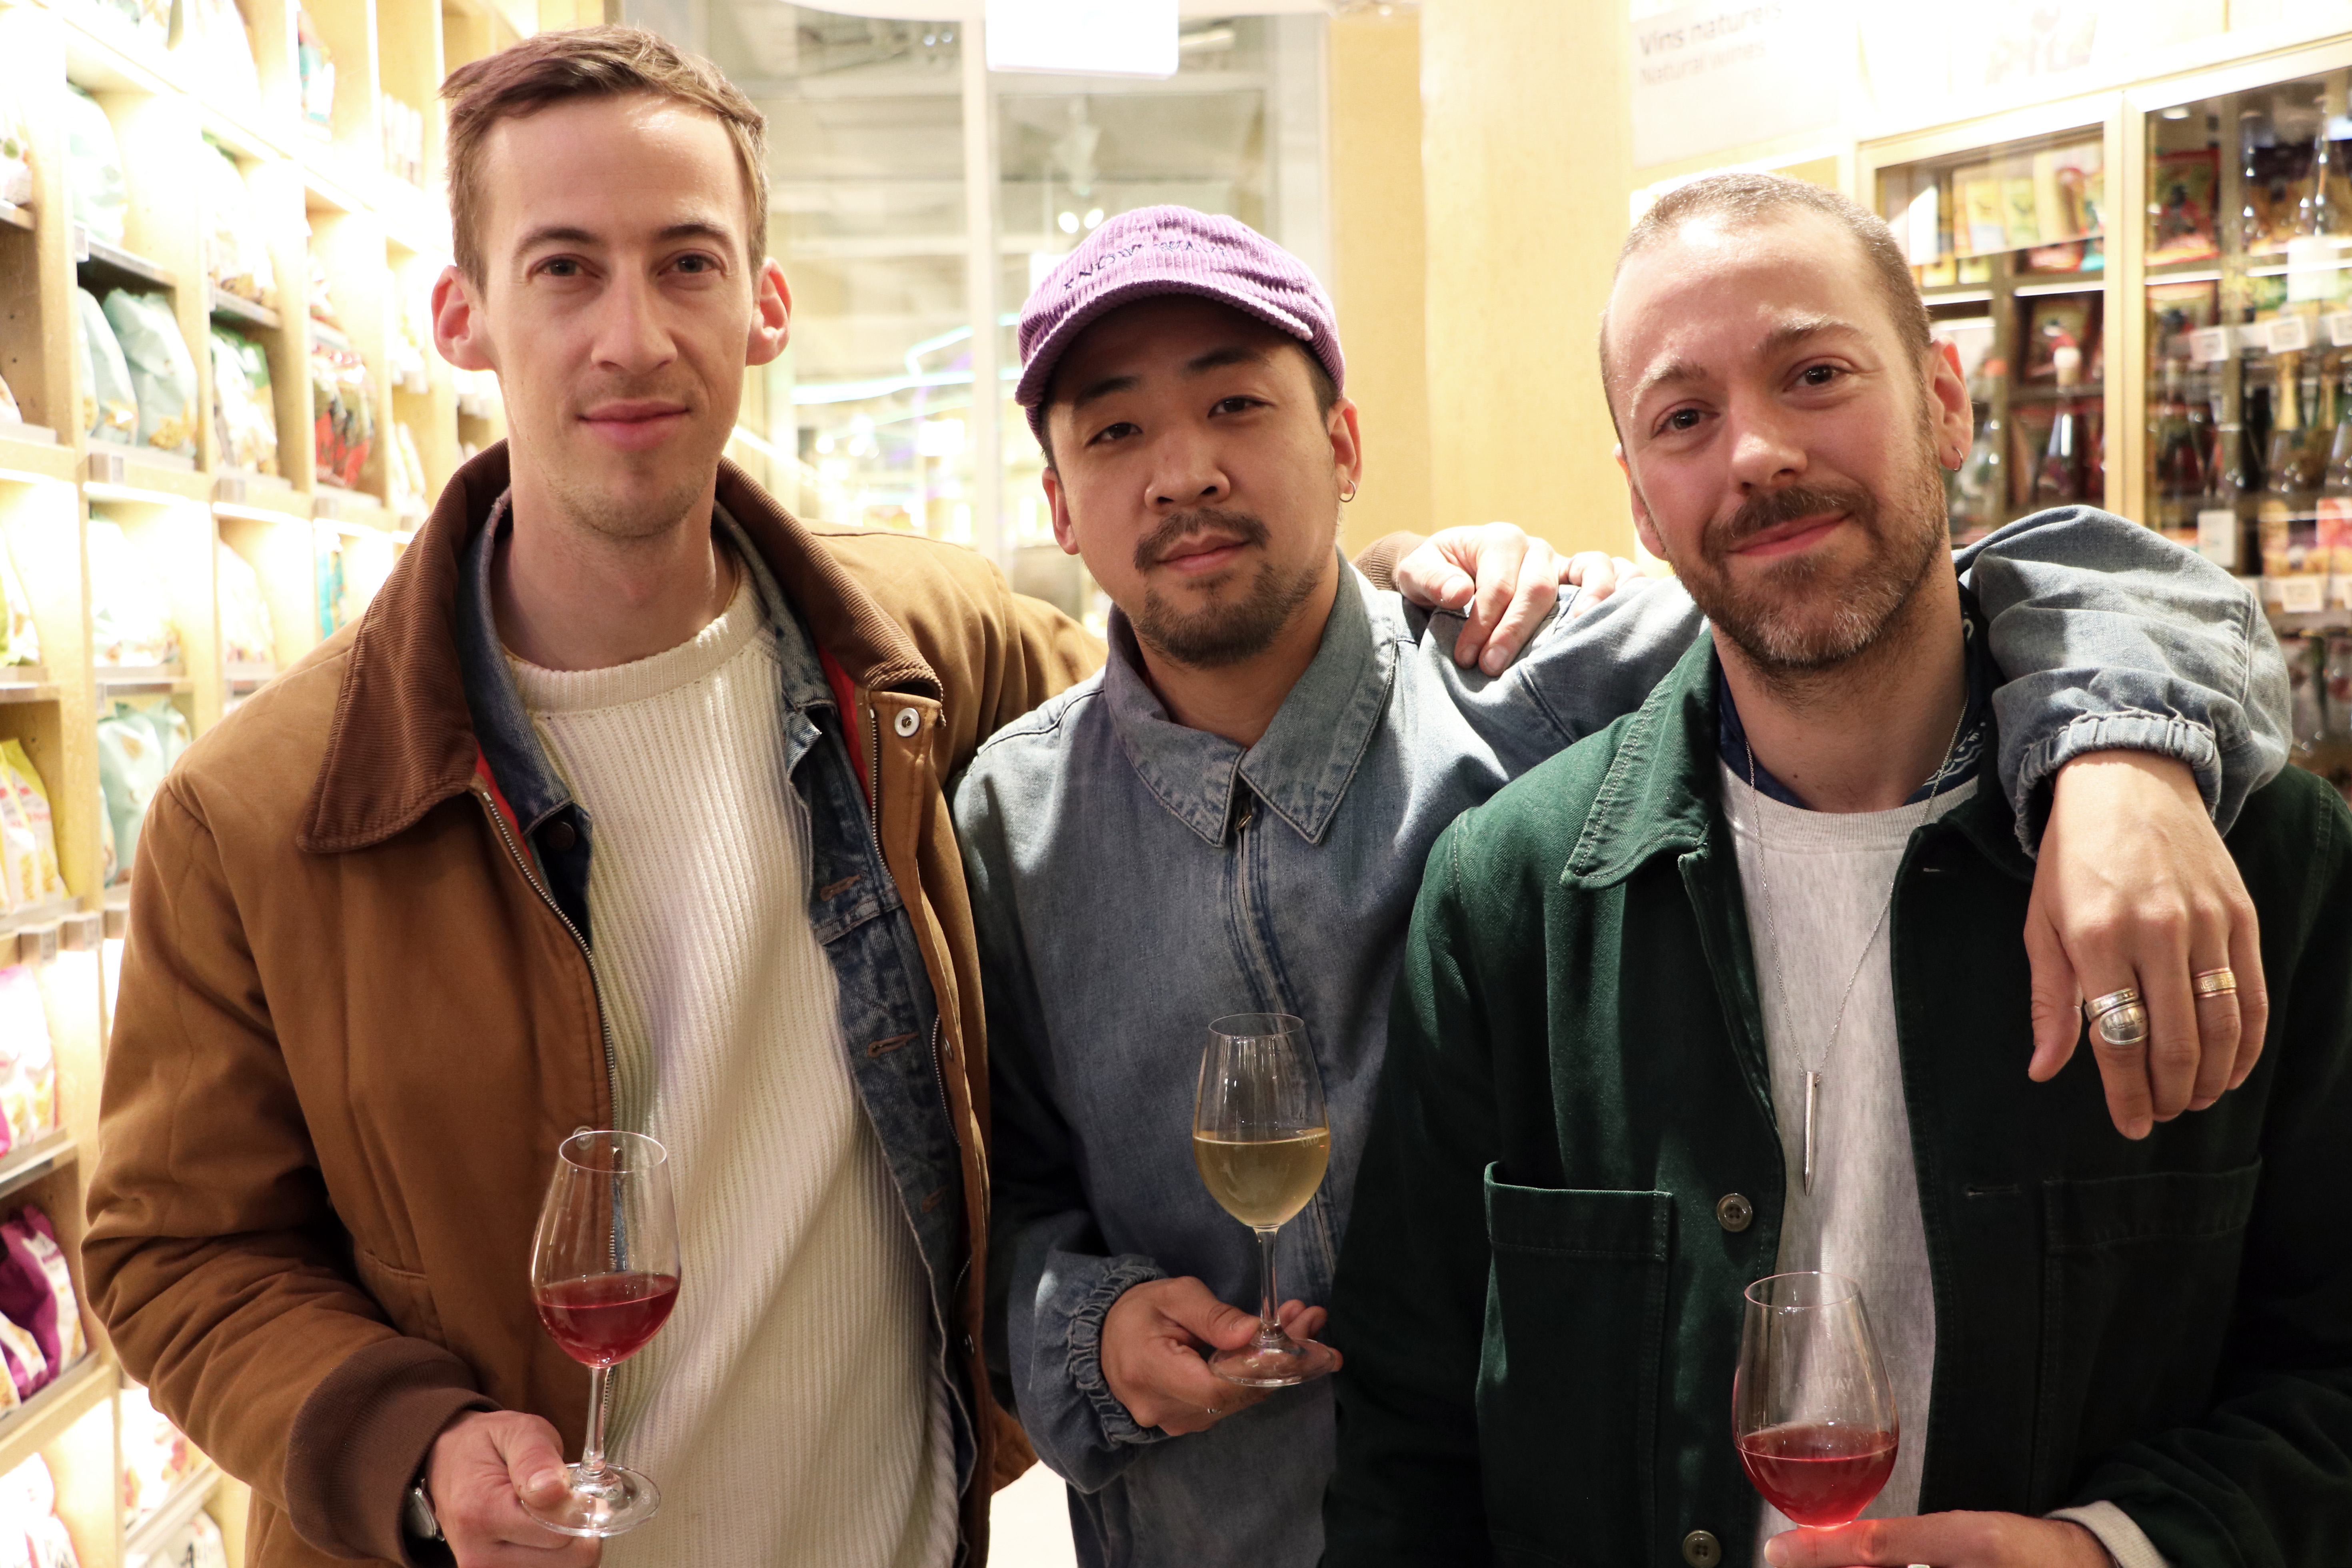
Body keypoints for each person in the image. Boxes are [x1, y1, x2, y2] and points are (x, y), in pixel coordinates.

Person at [955, 203, 2291, 1568]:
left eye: (1236, 403)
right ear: (1056, 503)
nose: (1183, 472)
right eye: (1114, 431)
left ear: (1344, 444)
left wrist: (2118, 750)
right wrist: (1084, 1329)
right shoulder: (1010, 820)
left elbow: (1977, 580)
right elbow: (980, 1204)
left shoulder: (1536, 685)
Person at [79, 28, 1110, 1568]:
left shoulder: (917, 655)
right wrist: (416, 1447)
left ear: (764, 305)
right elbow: (177, 1247)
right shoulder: (263, 813)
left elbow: (1185, 709)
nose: (633, 338)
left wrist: (1433, 595)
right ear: (464, 316)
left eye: (686, 264)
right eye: (564, 269)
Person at [1323, 173, 2350, 1568]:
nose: (1754, 453)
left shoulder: (2248, 867)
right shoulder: (1514, 900)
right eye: (1683, 418)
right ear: (1638, 503)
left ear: (1944, 402)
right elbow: (1406, 1437)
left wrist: (2109, 1547)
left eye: (1813, 374)